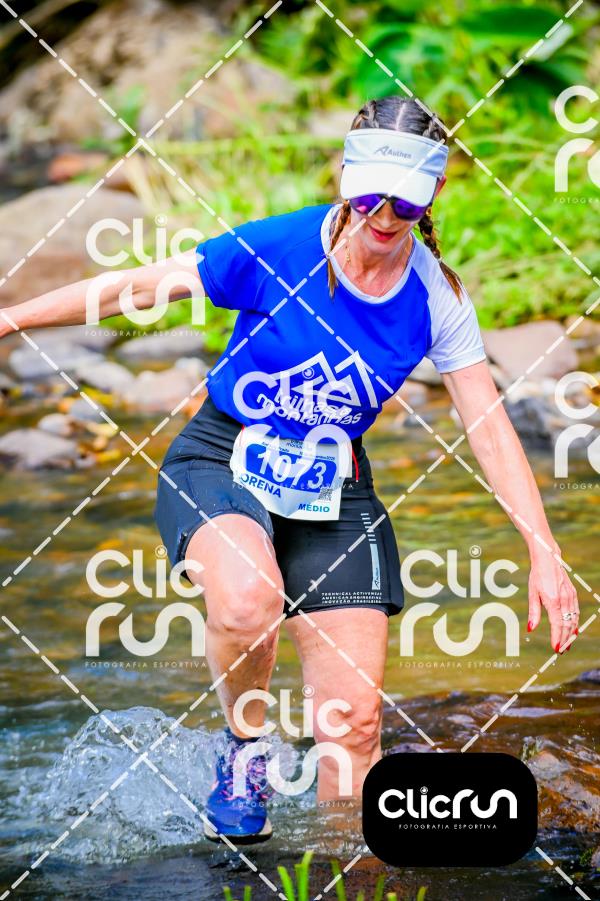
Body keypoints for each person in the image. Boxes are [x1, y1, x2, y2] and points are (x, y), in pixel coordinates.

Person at [0, 96, 579, 846]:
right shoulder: (279, 247)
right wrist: (9, 318)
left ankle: (343, 872)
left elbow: (489, 426)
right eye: (368, 196)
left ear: (434, 192)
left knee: (355, 724)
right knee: (249, 601)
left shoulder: (437, 298)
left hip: (333, 483)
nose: (384, 216)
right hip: (222, 455)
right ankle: (246, 751)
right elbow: (135, 288)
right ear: (345, 178)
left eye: (405, 201)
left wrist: (542, 546)